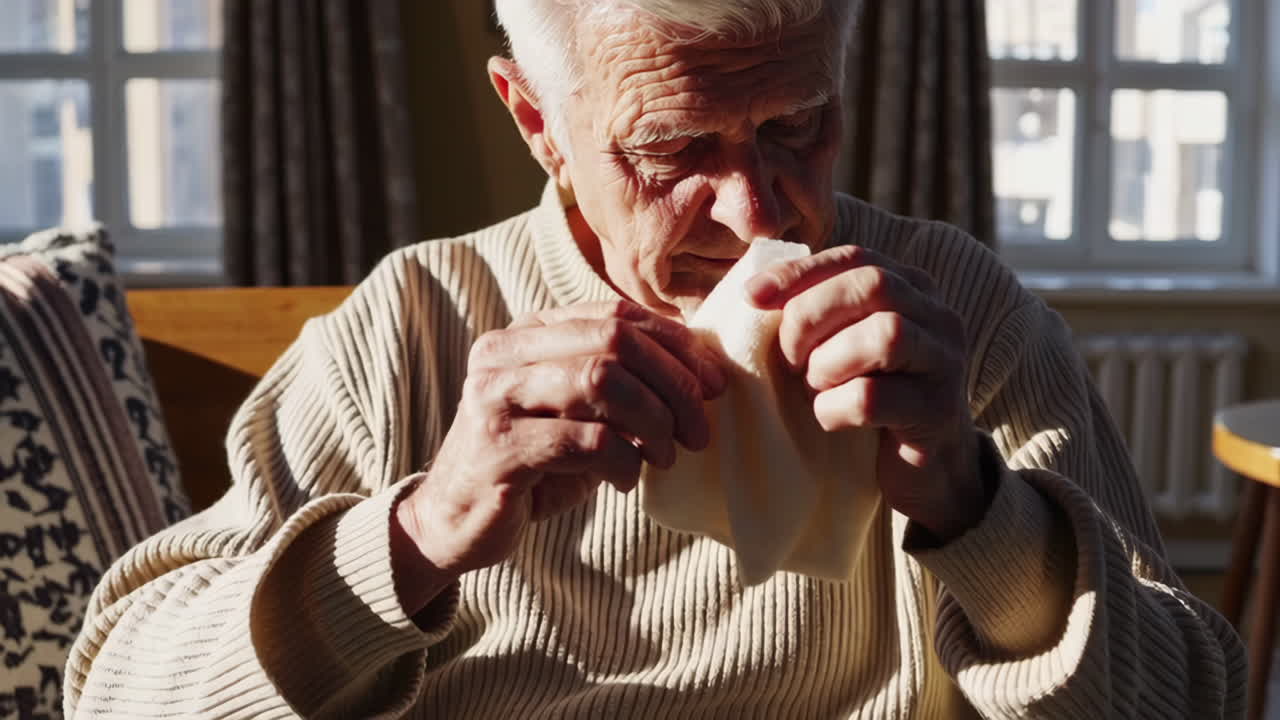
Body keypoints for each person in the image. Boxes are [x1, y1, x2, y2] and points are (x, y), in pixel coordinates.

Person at [65, 1, 1246, 717]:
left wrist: (973, 508)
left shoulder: (954, 320)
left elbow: (1185, 701)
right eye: (673, 148)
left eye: (795, 128)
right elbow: (118, 698)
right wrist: (420, 531)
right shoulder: (410, 327)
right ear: (538, 122)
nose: (756, 215)